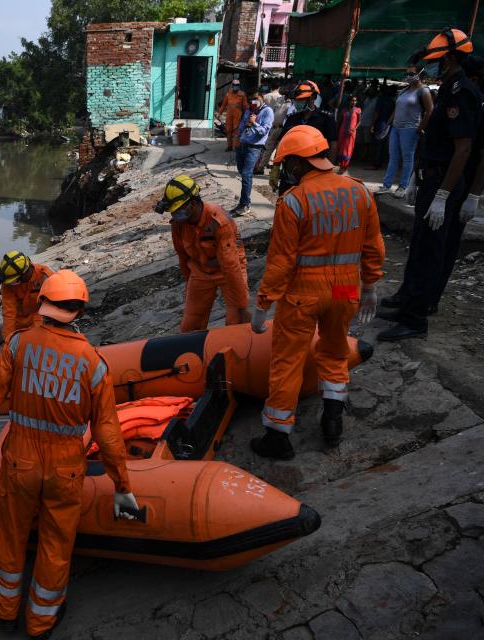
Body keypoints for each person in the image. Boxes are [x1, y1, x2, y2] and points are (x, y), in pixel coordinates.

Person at [0, 270, 136, 640]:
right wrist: (122, 484)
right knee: (56, 542)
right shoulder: (94, 364)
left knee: (10, 534)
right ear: (78, 310)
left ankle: (3, 611)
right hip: (66, 468)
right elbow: (108, 432)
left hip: (20, 460)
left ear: (44, 304)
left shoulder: (18, 344)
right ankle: (41, 621)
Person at [250, 125, 385, 459]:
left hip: (303, 293)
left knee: (287, 362)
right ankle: (333, 421)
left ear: (298, 162)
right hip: (343, 289)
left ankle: (278, 437)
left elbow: (280, 262)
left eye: (288, 164)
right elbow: (373, 247)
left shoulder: (294, 202)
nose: (287, 171)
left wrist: (263, 303)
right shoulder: (360, 192)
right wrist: (369, 285)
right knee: (336, 350)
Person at [377, 28, 483, 341]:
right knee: (420, 247)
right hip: (431, 178)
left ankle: (415, 320)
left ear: (450, 58)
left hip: (442, 183)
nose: (430, 66)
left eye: (436, 60)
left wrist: (443, 195)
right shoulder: (448, 88)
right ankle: (407, 306)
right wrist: (416, 176)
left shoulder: (461, 92)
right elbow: (434, 141)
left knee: (431, 253)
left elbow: (463, 149)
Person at [155, 175, 250, 332]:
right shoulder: (179, 225)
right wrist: (189, 285)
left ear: (193, 203)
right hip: (200, 272)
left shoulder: (218, 220)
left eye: (179, 210)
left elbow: (230, 264)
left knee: (237, 323)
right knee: (190, 326)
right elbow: (183, 257)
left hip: (228, 271)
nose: (176, 215)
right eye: (174, 212)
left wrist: (241, 306)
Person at [378, 67, 434, 197]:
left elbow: (430, 110)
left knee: (407, 158)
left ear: (419, 74)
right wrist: (388, 124)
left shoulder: (423, 90)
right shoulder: (404, 90)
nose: (408, 76)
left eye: (412, 74)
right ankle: (387, 185)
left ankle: (402, 187)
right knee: (393, 157)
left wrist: (420, 128)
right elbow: (396, 109)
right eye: (407, 73)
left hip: (410, 129)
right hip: (395, 128)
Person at [273, 81, 338, 194]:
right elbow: (281, 143)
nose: (297, 103)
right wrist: (275, 167)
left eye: (300, 100)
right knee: (285, 204)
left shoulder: (326, 119)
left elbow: (333, 145)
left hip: (314, 173)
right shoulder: (292, 119)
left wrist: (329, 170)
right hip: (290, 173)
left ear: (312, 98)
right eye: (296, 100)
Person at [0, 250, 55, 342]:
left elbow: (56, 302)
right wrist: (7, 341)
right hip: (19, 321)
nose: (13, 284)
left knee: (40, 341)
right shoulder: (8, 284)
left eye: (14, 281)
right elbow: (9, 313)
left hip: (40, 315)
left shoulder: (44, 276)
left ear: (25, 273)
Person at [233, 91, 274, 215]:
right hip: (242, 144)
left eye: (256, 98)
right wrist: (242, 129)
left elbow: (264, 131)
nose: (253, 101)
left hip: (254, 147)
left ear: (262, 98)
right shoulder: (249, 110)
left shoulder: (267, 111)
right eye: (251, 99)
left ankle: (245, 204)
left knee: (246, 174)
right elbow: (241, 126)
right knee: (243, 173)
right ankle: (243, 202)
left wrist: (254, 123)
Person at [368, 86, 396, 170]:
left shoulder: (380, 100)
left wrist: (372, 124)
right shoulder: (392, 101)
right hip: (388, 124)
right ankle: (380, 163)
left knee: (377, 144)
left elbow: (377, 113)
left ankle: (376, 164)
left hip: (380, 123)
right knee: (383, 145)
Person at [218, 79, 249, 151]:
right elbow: (223, 105)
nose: (236, 86)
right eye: (234, 85)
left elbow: (245, 106)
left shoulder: (242, 94)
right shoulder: (228, 94)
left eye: (237, 85)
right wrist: (220, 113)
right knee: (228, 130)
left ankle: (235, 146)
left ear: (239, 86)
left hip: (238, 114)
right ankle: (229, 146)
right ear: (232, 85)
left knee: (236, 130)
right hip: (229, 114)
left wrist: (247, 115)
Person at [337, 95, 362, 173]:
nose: (354, 102)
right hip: (343, 131)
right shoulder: (344, 110)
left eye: (355, 101)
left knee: (348, 149)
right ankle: (341, 166)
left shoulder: (358, 110)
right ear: (349, 101)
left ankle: (345, 166)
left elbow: (359, 121)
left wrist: (354, 129)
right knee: (341, 148)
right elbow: (339, 121)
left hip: (351, 133)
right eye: (352, 100)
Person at [356, 86, 378, 163]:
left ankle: (364, 157)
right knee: (359, 141)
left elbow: (376, 113)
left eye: (372, 91)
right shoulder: (367, 98)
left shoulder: (376, 100)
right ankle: (361, 155)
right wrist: (366, 90)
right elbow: (362, 97)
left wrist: (373, 124)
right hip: (361, 122)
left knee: (366, 142)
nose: (370, 92)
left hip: (369, 123)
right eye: (370, 90)